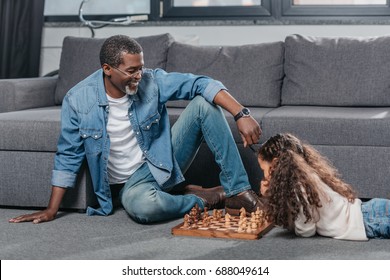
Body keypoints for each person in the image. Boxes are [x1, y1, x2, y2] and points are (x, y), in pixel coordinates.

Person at [9, 34, 264, 224]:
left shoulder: (151, 81)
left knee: (203, 104)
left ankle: (238, 191)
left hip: (158, 166)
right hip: (129, 188)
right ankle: (208, 198)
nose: (139, 76)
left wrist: (241, 113)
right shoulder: (78, 100)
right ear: (107, 70)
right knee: (143, 207)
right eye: (131, 70)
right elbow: (68, 156)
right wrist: (52, 209)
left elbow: (200, 83)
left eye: (141, 68)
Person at [257, 133, 390, 240]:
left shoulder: (299, 188)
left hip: (369, 221)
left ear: (274, 164)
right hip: (369, 211)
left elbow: (306, 230)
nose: (263, 174)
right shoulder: (307, 175)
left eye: (264, 168)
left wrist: (269, 196)